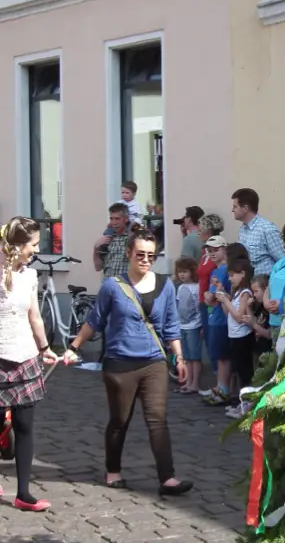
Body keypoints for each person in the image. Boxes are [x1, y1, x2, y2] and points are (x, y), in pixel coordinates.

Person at [64, 230, 192, 496]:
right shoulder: (113, 285)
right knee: (120, 420)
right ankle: (113, 470)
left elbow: (171, 325)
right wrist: (74, 347)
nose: (145, 260)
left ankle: (167, 478)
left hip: (154, 361)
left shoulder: (165, 285)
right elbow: (94, 321)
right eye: (140, 255)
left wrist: (179, 356)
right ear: (129, 254)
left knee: (158, 419)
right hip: (120, 363)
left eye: (151, 256)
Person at [0, 218, 58, 511]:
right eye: (33, 245)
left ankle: (24, 493)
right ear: (18, 245)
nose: (36, 250)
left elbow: (34, 315)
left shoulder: (30, 276)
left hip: (24, 357)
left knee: (25, 426)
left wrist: (45, 348)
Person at [214, 257, 255, 420]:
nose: (230, 278)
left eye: (232, 275)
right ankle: (242, 403)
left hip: (243, 337)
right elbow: (229, 314)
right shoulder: (237, 292)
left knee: (245, 372)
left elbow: (239, 316)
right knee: (238, 370)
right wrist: (223, 297)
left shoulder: (245, 293)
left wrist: (226, 300)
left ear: (242, 274)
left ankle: (247, 405)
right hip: (234, 335)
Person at [202, 236, 232, 406]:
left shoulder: (224, 270)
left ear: (224, 249)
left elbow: (215, 296)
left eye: (216, 250)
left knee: (223, 357)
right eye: (210, 250)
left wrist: (211, 296)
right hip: (214, 316)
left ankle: (224, 389)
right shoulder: (215, 270)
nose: (212, 253)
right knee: (219, 356)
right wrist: (210, 296)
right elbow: (208, 298)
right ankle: (220, 387)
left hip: (222, 319)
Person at [196, 215, 225, 381]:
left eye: (201, 230)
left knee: (214, 339)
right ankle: (217, 381)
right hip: (202, 299)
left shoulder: (217, 253)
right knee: (208, 337)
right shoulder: (204, 252)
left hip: (212, 300)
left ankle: (220, 381)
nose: (198, 232)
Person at [232, 188, 285, 275]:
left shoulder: (267, 229)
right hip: (249, 285)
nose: (232, 210)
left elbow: (284, 261)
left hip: (266, 285)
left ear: (245, 208)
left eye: (235, 207)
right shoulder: (243, 229)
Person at [174, 257, 202, 395]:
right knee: (187, 357)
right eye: (180, 272)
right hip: (182, 326)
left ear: (192, 272)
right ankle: (188, 382)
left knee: (195, 356)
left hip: (194, 326)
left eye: (185, 271)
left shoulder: (197, 287)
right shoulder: (180, 288)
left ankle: (195, 383)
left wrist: (201, 325)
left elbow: (199, 307)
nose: (182, 275)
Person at [94, 204, 130, 278]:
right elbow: (98, 267)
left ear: (126, 219)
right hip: (108, 284)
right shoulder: (107, 237)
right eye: (111, 219)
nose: (114, 223)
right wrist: (96, 249)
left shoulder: (132, 238)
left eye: (117, 219)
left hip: (126, 285)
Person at [247, 274, 272, 364]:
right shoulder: (260, 306)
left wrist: (255, 325)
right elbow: (253, 321)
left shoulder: (270, 308)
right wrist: (248, 307)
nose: (254, 295)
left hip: (268, 352)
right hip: (259, 349)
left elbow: (270, 334)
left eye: (256, 291)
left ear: (266, 290)